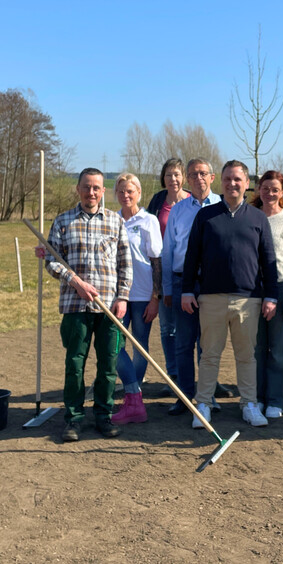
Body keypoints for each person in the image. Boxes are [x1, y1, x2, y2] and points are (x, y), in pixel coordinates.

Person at [182, 160, 278, 428]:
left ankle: (249, 404)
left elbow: (268, 259)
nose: (232, 184)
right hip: (211, 299)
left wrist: (271, 296)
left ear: (247, 184)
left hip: (248, 300)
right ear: (220, 182)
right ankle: (203, 404)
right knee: (209, 354)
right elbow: (192, 257)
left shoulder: (258, 218)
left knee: (246, 355)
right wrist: (187, 290)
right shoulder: (205, 216)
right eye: (227, 179)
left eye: (238, 179)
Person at [40, 167, 132, 442]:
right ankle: (73, 419)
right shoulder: (63, 221)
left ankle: (104, 416)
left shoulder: (115, 222)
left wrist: (123, 297)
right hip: (74, 306)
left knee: (108, 365)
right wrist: (75, 282)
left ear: (103, 191)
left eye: (96, 188)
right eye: (86, 187)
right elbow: (52, 261)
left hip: (108, 307)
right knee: (75, 364)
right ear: (78, 189)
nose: (91, 192)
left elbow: (124, 263)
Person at [161, 157, 222, 416]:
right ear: (187, 178)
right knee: (183, 343)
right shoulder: (178, 210)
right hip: (181, 281)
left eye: (203, 174)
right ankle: (185, 397)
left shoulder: (222, 205)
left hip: (212, 283)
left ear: (212, 177)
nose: (198, 179)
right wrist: (166, 288)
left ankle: (207, 396)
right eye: (193, 174)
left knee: (208, 344)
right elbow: (168, 251)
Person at [111, 173, 163, 425]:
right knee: (114, 344)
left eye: (130, 191)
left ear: (139, 193)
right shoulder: (111, 220)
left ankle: (134, 396)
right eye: (121, 191)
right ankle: (133, 391)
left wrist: (156, 297)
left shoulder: (149, 220)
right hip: (118, 294)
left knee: (140, 345)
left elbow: (156, 260)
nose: (126, 195)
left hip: (143, 295)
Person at [250, 170, 283, 418]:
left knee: (278, 349)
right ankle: (256, 397)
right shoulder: (249, 216)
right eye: (265, 188)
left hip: (281, 290)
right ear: (258, 189)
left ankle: (277, 400)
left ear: (282, 192)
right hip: (253, 290)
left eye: (275, 189)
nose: (269, 193)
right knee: (256, 348)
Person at [146, 158, 189, 395]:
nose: (172, 179)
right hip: (162, 272)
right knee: (168, 328)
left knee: (198, 329)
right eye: (168, 175)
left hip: (187, 271)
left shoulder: (193, 201)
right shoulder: (157, 201)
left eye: (177, 174)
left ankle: (202, 378)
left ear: (183, 177)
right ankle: (173, 376)